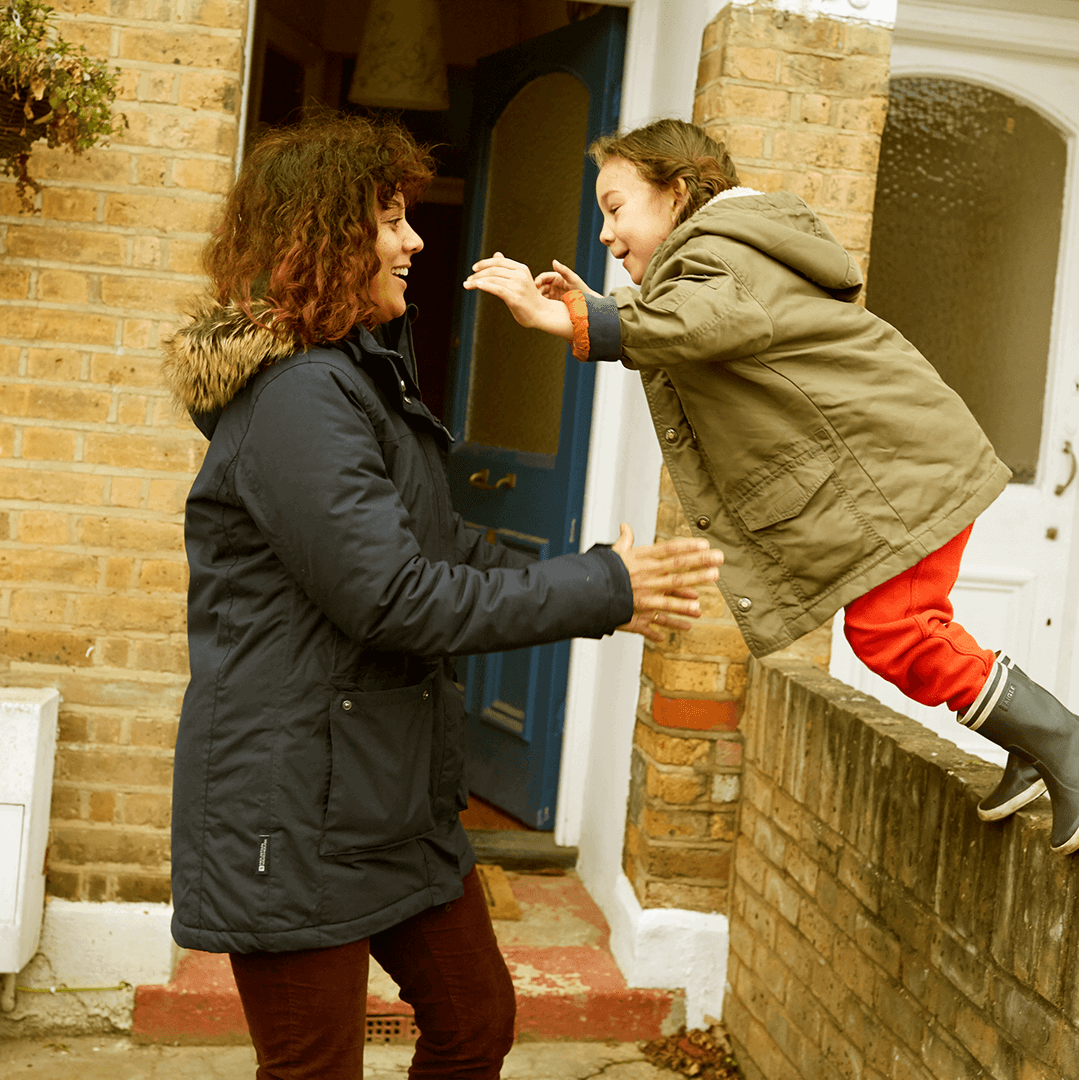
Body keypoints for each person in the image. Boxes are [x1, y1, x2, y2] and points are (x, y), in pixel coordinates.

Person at [162, 112, 723, 1080]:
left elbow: (443, 545)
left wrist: (606, 585)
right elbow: (397, 596)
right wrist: (600, 587)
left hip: (383, 795)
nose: (415, 240)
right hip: (292, 810)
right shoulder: (296, 400)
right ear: (325, 236)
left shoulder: (356, 375)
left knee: (474, 1018)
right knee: (313, 1069)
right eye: (389, 220)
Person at [463, 118, 1079, 856]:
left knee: (889, 631)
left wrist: (567, 316)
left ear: (677, 192)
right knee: (900, 628)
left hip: (895, 470)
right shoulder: (720, 254)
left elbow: (705, 319)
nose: (607, 234)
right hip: (899, 459)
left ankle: (1069, 743)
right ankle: (1032, 749)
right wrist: (604, 305)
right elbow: (688, 323)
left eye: (616, 208)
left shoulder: (721, 252)